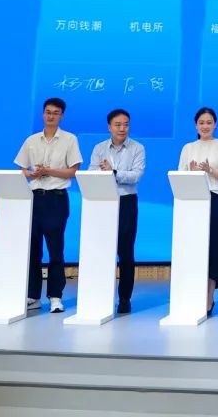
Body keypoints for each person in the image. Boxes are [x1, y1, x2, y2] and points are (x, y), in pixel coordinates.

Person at [15, 97, 82, 314]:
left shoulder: (69, 139)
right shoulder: (31, 140)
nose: (50, 116)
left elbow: (73, 171)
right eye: (47, 112)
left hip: (56, 199)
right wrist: (32, 173)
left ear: (61, 116)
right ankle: (33, 296)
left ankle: (55, 296)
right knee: (33, 249)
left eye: (55, 112)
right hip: (35, 198)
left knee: (55, 250)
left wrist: (49, 171)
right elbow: (22, 169)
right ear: (43, 114)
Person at [88, 108, 146, 314]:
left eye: (126, 125)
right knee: (102, 249)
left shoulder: (137, 148)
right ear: (109, 127)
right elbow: (91, 171)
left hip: (126, 201)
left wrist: (113, 172)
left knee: (126, 251)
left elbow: (136, 175)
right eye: (118, 125)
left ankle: (124, 298)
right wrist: (104, 172)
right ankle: (100, 296)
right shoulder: (99, 148)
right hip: (104, 201)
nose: (122, 128)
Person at [178, 107, 218, 317]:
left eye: (209, 122)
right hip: (192, 201)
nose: (205, 126)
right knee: (193, 248)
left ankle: (209, 297)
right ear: (196, 125)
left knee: (213, 249)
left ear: (215, 125)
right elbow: (180, 175)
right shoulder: (188, 148)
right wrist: (193, 174)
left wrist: (209, 170)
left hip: (214, 198)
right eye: (201, 122)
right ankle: (191, 294)